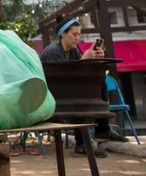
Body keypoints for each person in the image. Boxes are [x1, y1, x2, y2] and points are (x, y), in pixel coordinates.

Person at [40, 16, 129, 158]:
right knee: (79, 97)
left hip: (68, 93)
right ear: (63, 34)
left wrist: (94, 58)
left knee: (101, 82)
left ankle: (103, 129)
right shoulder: (53, 52)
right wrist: (83, 60)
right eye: (74, 34)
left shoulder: (73, 51)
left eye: (79, 34)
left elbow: (81, 75)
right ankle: (82, 144)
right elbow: (61, 80)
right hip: (54, 97)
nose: (77, 38)